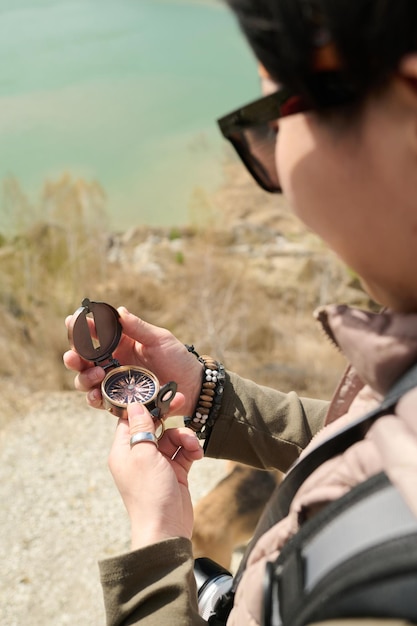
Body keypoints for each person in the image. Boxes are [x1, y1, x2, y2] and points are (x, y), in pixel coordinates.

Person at [63, 0, 417, 624]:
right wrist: (209, 400)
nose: (273, 161)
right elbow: (380, 438)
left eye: (274, 117)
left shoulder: (383, 574)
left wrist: (156, 544)